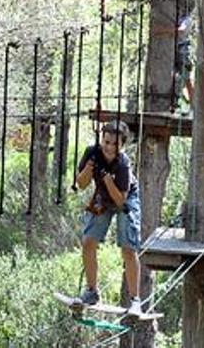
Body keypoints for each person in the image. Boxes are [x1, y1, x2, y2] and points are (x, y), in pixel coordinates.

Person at [75, 120, 143, 315]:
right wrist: (89, 169)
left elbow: (121, 201)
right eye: (106, 142)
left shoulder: (123, 164)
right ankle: (91, 291)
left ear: (121, 145)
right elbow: (81, 183)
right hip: (103, 196)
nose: (109, 147)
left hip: (125, 198)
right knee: (88, 241)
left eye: (114, 144)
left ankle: (135, 300)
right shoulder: (92, 153)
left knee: (128, 248)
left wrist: (106, 178)